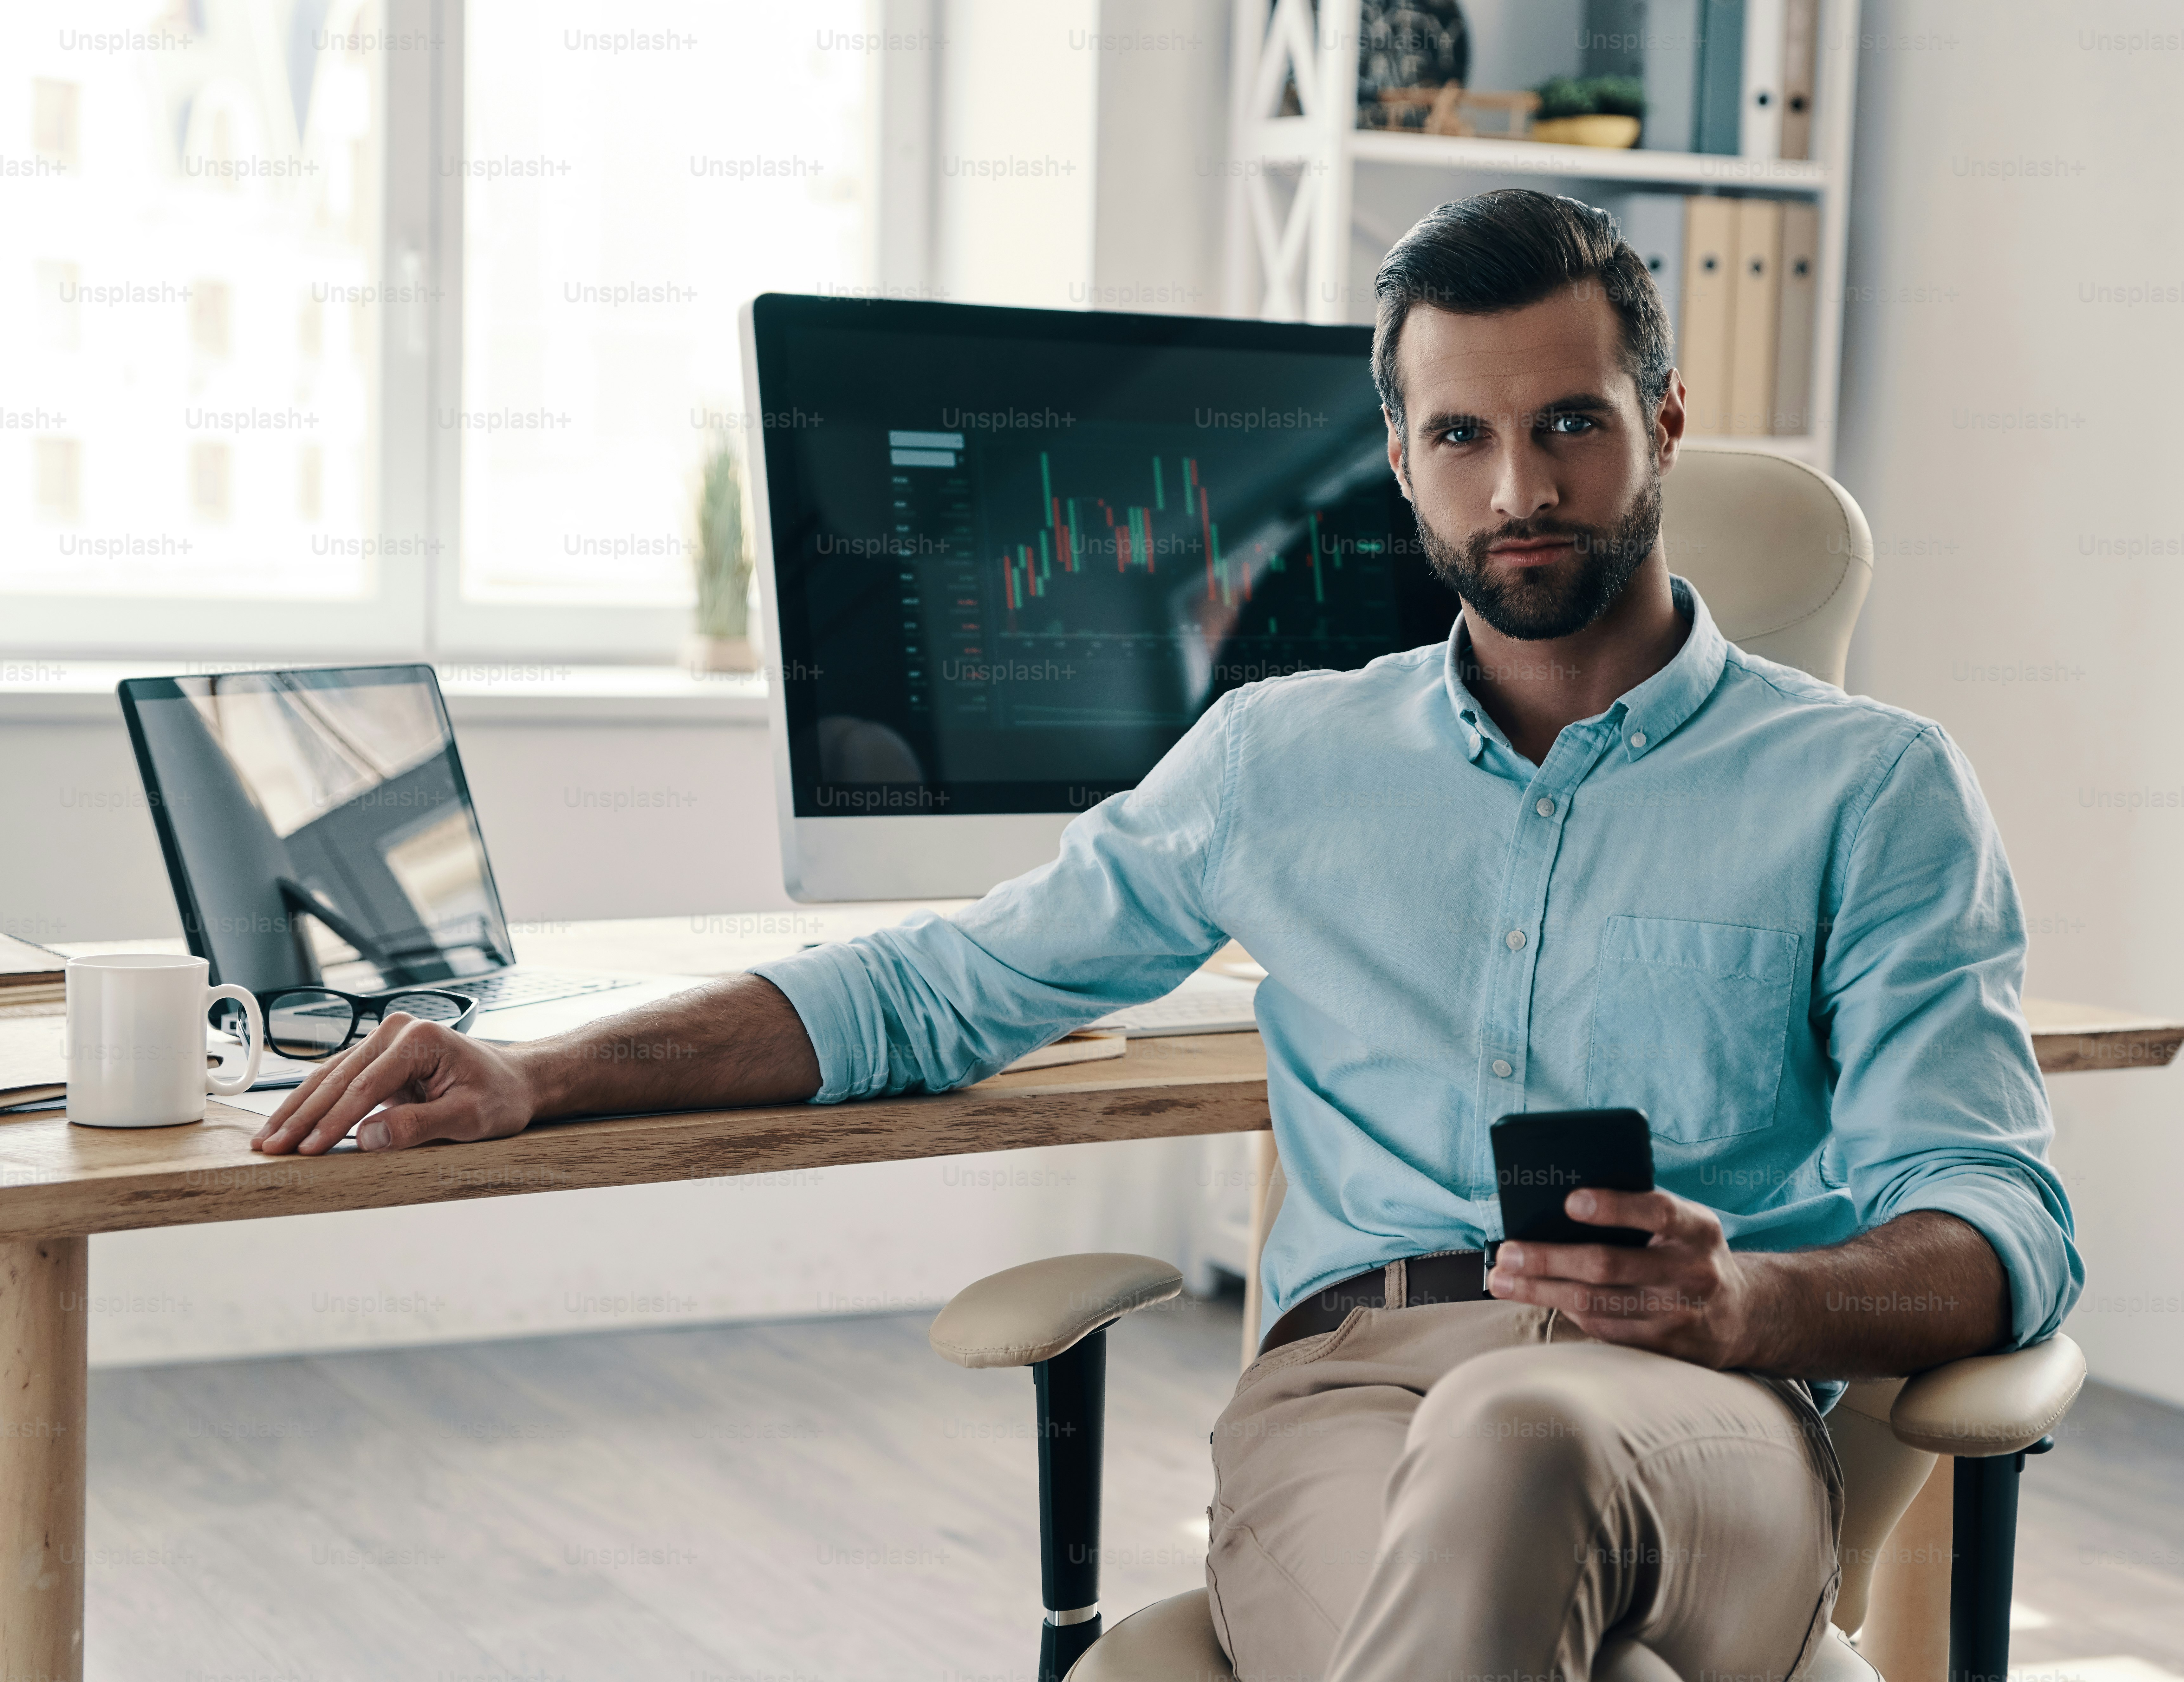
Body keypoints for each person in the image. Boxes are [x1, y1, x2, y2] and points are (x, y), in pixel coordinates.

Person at [253, 188, 2079, 1680]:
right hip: (1354, 1395)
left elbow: (1999, 1229)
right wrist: (537, 1068)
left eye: (1570, 424)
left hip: (1701, 1412)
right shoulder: (1283, 758)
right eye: (1463, 434)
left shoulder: (1875, 789)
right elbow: (939, 987)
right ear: (1399, 457)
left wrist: (1748, 1296)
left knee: (1527, 1448)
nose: (1518, 485)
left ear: (1664, 423)